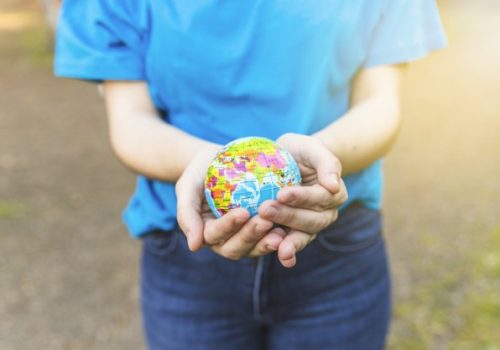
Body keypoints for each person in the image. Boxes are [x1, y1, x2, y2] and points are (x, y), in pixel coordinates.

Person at [54, 1, 446, 349]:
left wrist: (318, 160)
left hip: (335, 252)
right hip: (187, 253)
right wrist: (211, 165)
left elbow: (380, 104)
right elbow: (130, 121)